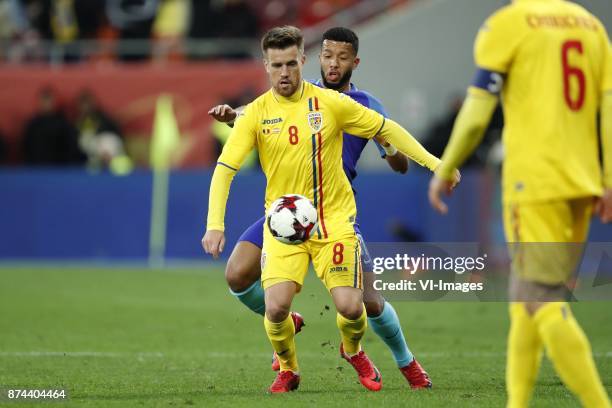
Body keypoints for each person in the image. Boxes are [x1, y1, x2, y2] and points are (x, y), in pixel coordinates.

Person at [203, 25, 453, 393]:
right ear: (316, 59)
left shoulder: (357, 105)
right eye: (328, 55)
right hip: (287, 212)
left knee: (364, 303)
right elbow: (256, 113)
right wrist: (232, 115)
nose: (333, 63)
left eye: (341, 57)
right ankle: (286, 340)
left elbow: (393, 148)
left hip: (334, 210)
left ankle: (404, 360)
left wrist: (406, 154)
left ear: (355, 61)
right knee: (239, 275)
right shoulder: (275, 103)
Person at [428, 1, 612, 407]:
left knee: (539, 300)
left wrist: (446, 166)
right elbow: (608, 111)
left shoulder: (507, 24)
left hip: (535, 183)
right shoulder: (591, 26)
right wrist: (608, 179)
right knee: (524, 299)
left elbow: (477, 113)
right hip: (582, 183)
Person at [22, 87, 84, 165]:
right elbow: (26, 147)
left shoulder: (62, 124)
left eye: (48, 100)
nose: (46, 104)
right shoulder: (33, 125)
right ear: (39, 102)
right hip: (37, 168)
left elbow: (69, 146)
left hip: (59, 168)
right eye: (44, 100)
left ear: (54, 102)